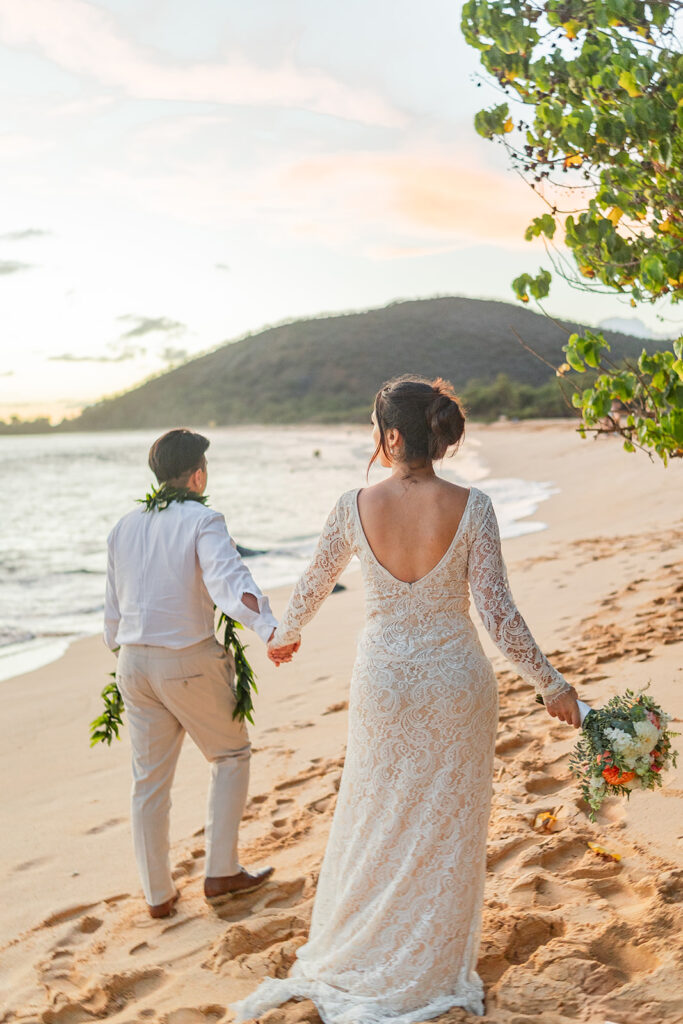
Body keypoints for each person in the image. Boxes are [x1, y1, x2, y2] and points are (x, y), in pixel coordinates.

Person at [231, 376, 580, 1024]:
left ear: (390, 436)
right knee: (446, 830)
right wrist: (552, 687)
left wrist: (283, 636)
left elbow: (311, 584)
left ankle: (367, 948)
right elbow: (498, 614)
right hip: (455, 682)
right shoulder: (472, 506)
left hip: (385, 684)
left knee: (374, 817)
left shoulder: (351, 505)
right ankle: (427, 964)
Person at [104, 428, 277, 918]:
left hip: (132, 664)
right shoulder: (203, 518)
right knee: (229, 755)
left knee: (149, 782)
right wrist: (270, 628)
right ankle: (221, 871)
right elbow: (229, 582)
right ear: (198, 474)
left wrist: (125, 653)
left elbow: (111, 615)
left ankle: (158, 896)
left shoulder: (123, 526)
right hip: (187, 660)